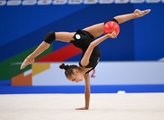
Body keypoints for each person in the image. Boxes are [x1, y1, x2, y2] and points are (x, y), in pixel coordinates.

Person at [20, 9, 151, 110]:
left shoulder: (84, 63)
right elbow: (87, 90)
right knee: (110, 23)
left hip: (81, 39)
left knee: (52, 35)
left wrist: (107, 36)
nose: (75, 82)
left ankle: (31, 57)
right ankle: (135, 15)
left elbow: (92, 45)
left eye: (73, 79)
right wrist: (86, 107)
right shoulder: (87, 72)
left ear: (76, 72)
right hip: (87, 36)